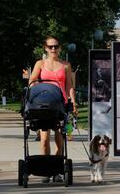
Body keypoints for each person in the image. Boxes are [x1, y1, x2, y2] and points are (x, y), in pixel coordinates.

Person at [29, 35, 77, 183]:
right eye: (50, 47)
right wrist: (34, 91)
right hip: (44, 104)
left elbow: (69, 85)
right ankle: (45, 170)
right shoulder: (40, 64)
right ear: (46, 48)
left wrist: (73, 102)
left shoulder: (66, 65)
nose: (53, 49)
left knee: (59, 139)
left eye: (56, 46)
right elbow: (32, 81)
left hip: (60, 104)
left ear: (60, 48)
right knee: (44, 140)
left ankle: (56, 170)